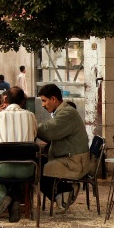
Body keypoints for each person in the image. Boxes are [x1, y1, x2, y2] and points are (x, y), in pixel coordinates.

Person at [0, 87, 38, 222]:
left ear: (5, 99)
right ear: (23, 101)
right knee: (17, 174)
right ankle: (14, 199)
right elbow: (34, 135)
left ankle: (6, 198)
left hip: (2, 169)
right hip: (28, 170)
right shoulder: (31, 116)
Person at [36, 84, 90, 213]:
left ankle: (64, 191)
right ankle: (63, 191)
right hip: (67, 158)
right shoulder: (62, 111)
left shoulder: (67, 113)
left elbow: (49, 131)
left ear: (53, 99)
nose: (43, 105)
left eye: (44, 100)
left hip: (74, 162)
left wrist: (30, 125)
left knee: (37, 169)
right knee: (38, 163)